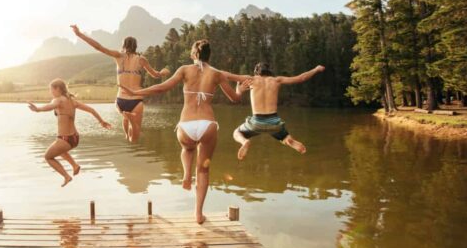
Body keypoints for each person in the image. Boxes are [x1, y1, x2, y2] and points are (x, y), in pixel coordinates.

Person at [120, 40, 247, 224]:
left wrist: (136, 92)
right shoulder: (217, 74)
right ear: (209, 55)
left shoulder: (185, 70)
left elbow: (162, 87)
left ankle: (187, 174)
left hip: (186, 125)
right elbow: (235, 98)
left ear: (193, 54)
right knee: (203, 170)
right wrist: (240, 89)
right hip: (207, 124)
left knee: (187, 149)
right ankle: (198, 214)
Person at [70, 24, 170, 143]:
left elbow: (99, 47)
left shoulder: (118, 56)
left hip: (121, 99)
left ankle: (127, 124)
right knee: (135, 139)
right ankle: (131, 120)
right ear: (135, 47)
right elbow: (155, 75)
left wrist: (79, 34)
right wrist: (163, 72)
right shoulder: (141, 59)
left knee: (127, 131)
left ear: (123, 46)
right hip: (136, 100)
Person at [230, 62, 325, 160]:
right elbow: (301, 78)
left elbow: (229, 76)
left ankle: (245, 142)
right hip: (274, 122)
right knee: (282, 136)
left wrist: (238, 89)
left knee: (237, 133)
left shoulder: (251, 79)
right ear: (270, 71)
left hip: (257, 122)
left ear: (256, 72)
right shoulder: (277, 80)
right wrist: (316, 69)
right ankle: (289, 140)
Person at [28, 78, 112, 187]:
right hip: (75, 138)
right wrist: (101, 121)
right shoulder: (72, 101)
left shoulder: (58, 99)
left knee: (48, 157)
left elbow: (51, 106)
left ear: (57, 89)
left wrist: (38, 109)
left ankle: (66, 176)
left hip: (65, 138)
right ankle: (75, 165)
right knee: (59, 150)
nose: (51, 92)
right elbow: (91, 110)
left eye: (51, 90)